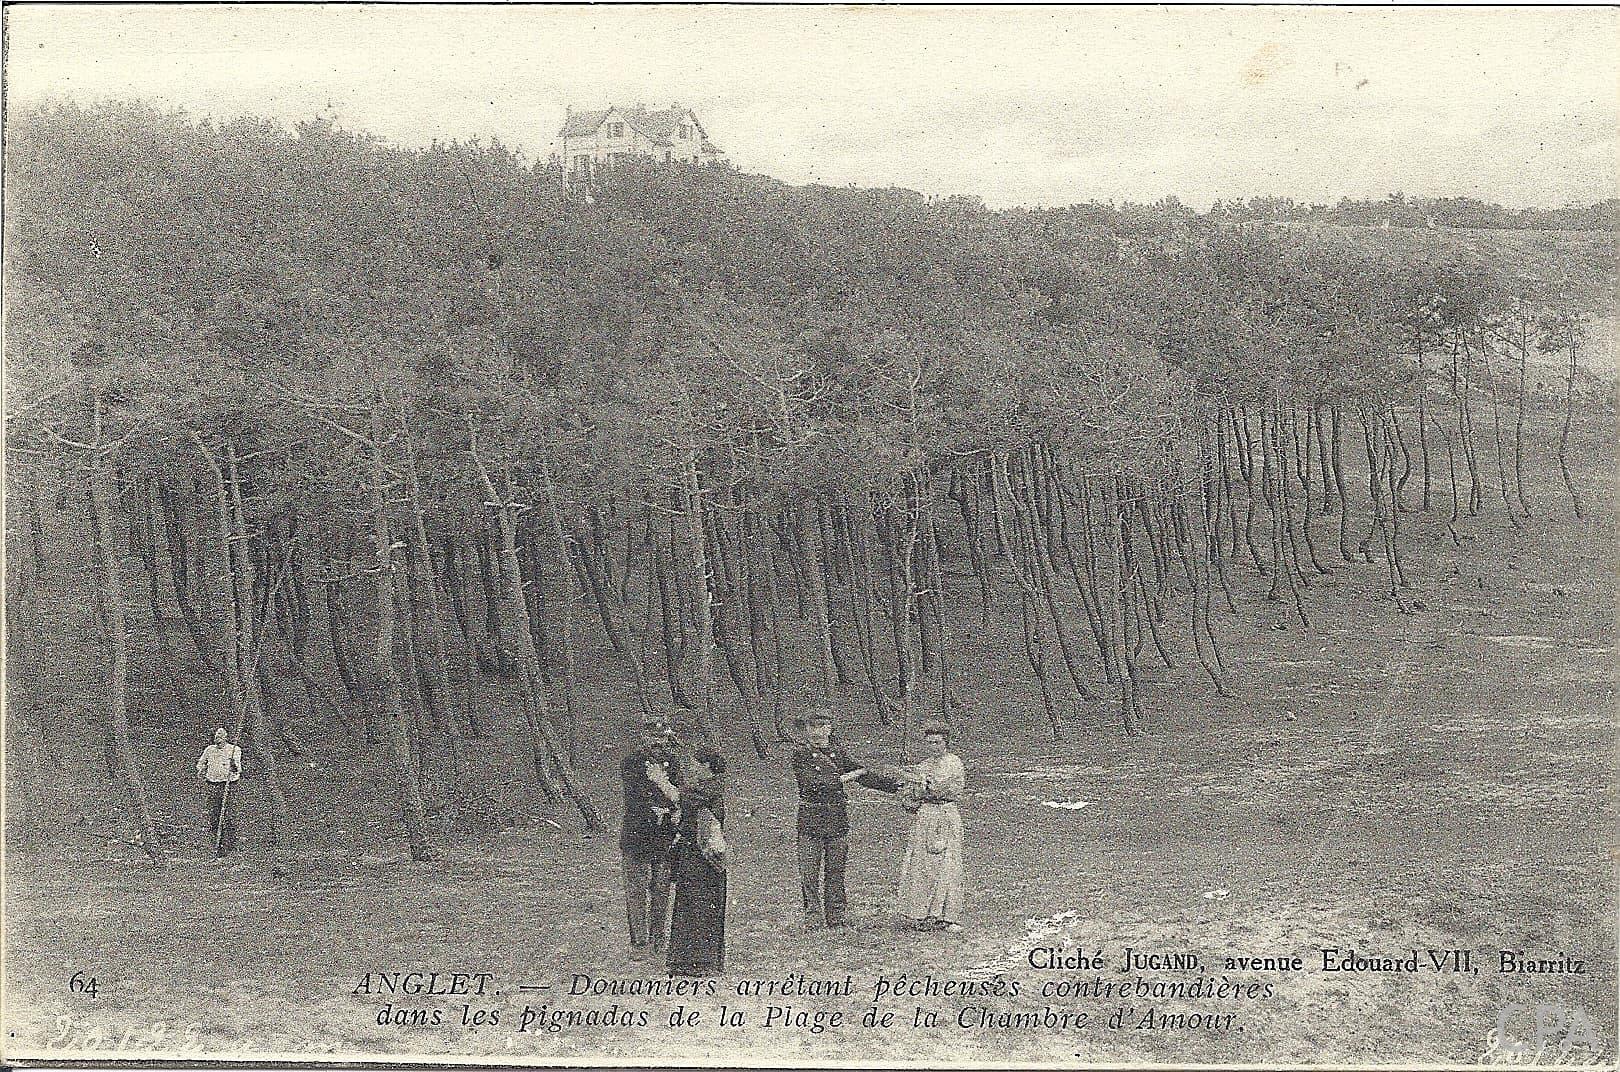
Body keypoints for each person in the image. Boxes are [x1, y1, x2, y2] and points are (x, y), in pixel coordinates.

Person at [792, 712, 898, 929]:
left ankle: (836, 916)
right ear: (807, 730)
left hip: (836, 819)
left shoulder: (836, 753)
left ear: (830, 729)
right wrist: (846, 777)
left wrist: (894, 786)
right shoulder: (800, 754)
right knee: (809, 873)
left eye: (822, 727)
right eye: (813, 727)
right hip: (811, 820)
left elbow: (863, 774)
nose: (817, 732)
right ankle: (813, 917)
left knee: (835, 871)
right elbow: (813, 784)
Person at [648, 748, 727, 977]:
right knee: (688, 905)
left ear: (707, 767)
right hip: (692, 854)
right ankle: (686, 961)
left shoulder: (710, 786)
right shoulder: (707, 786)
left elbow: (680, 798)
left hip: (702, 857)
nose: (691, 768)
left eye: (695, 764)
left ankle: (700, 962)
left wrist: (660, 780)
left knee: (699, 906)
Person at [620, 715, 683, 954]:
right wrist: (655, 807)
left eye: (662, 738)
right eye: (653, 738)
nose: (657, 744)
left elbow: (679, 792)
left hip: (664, 836)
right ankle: (639, 942)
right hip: (637, 834)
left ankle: (659, 939)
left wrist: (670, 811)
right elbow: (635, 797)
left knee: (661, 888)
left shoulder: (672, 763)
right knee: (636, 889)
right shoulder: (631, 763)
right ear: (643, 738)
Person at [895, 721, 966, 932]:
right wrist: (910, 793)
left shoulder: (954, 763)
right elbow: (911, 797)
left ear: (945, 743)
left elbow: (951, 790)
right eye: (929, 743)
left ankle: (947, 915)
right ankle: (922, 914)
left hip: (946, 813)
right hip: (926, 816)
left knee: (948, 864)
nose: (933, 747)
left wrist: (928, 786)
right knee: (923, 864)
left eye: (937, 742)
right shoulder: (923, 766)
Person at [195, 727, 242, 856]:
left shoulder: (234, 750)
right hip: (213, 785)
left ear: (226, 738)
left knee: (229, 815)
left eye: (221, 736)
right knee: (214, 815)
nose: (218, 738)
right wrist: (201, 770)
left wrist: (233, 765)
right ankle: (218, 845)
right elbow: (200, 763)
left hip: (229, 785)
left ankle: (231, 845)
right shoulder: (209, 750)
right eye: (216, 736)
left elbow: (238, 770)